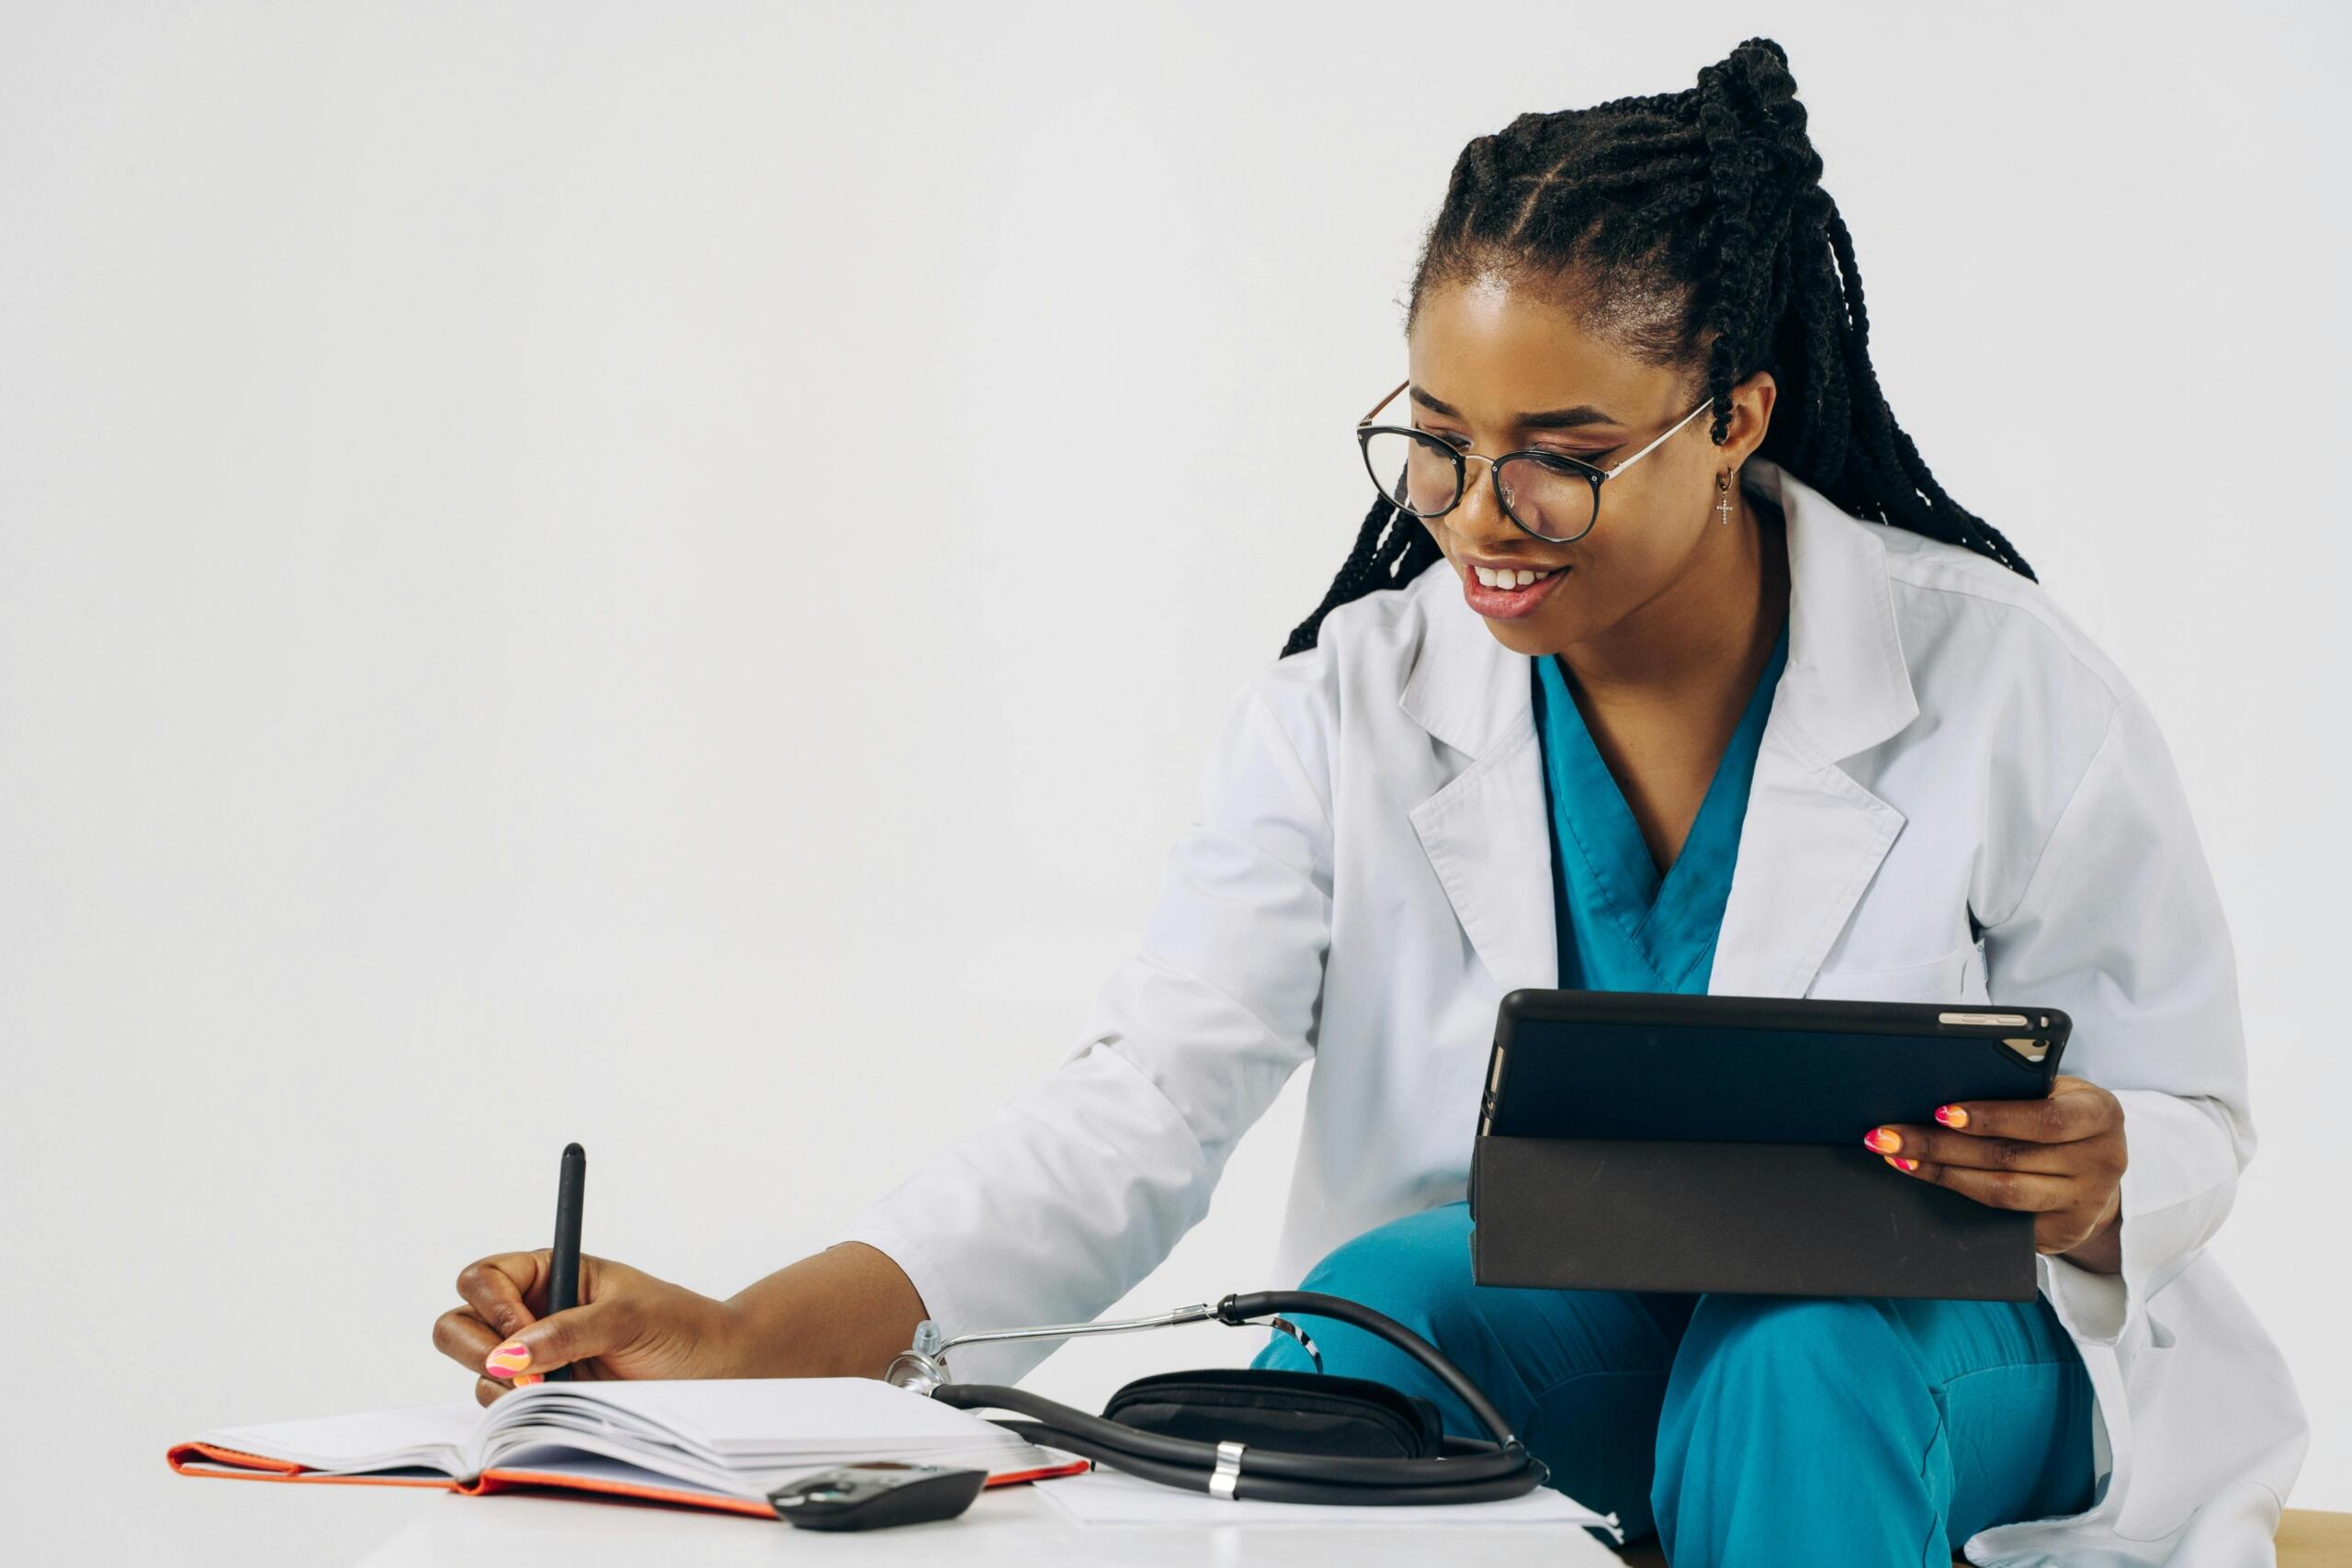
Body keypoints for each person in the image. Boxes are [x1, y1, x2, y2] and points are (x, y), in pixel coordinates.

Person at [431, 38, 2305, 1565]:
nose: (1477, 519)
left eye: (1558, 461)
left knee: (1788, 1354)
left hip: (1940, 1349)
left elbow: (2189, 1100)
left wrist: (2108, 1154)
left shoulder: (1996, 681)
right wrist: (759, 1337)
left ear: (1732, 415)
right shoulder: (1354, 702)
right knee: (1363, 1317)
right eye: (1438, 438)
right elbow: (1141, 1104)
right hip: (1575, 1321)